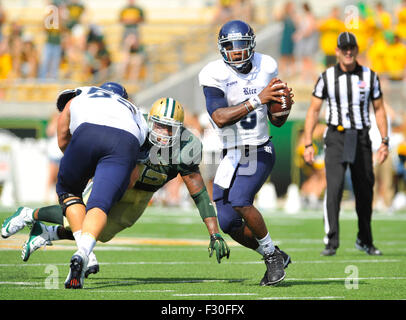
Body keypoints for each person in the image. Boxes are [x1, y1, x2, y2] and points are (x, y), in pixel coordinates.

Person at [1, 97, 231, 275]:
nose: (161, 133)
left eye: (168, 128)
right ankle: (29, 214)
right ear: (150, 122)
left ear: (179, 129)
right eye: (158, 125)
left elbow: (199, 194)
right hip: (118, 176)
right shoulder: (136, 130)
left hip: (144, 193)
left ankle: (46, 233)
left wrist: (215, 233)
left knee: (102, 232)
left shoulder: (186, 148)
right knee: (85, 215)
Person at [198, 20, 293, 286]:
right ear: (221, 48)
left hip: (258, 148)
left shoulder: (268, 65)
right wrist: (258, 99)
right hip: (231, 153)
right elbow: (218, 116)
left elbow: (276, 121)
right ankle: (273, 254)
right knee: (227, 221)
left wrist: (282, 108)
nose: (237, 52)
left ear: (251, 45)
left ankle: (272, 257)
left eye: (241, 45)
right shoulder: (212, 73)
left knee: (240, 199)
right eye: (230, 46)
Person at [303, 32, 389, 256]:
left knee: (365, 190)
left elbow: (379, 110)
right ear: (337, 51)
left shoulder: (370, 76)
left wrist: (384, 141)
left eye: (352, 47)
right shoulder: (327, 77)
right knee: (334, 188)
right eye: (344, 48)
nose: (348, 51)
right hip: (336, 137)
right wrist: (308, 143)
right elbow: (313, 110)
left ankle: (365, 240)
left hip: (361, 137)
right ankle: (331, 242)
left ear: (357, 50)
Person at [57, 81, 148, 289]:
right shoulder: (135, 111)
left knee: (69, 191)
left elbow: (63, 140)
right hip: (126, 140)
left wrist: (83, 169)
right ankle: (83, 252)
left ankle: (87, 255)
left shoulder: (82, 94)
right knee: (100, 204)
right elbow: (133, 173)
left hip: (88, 133)